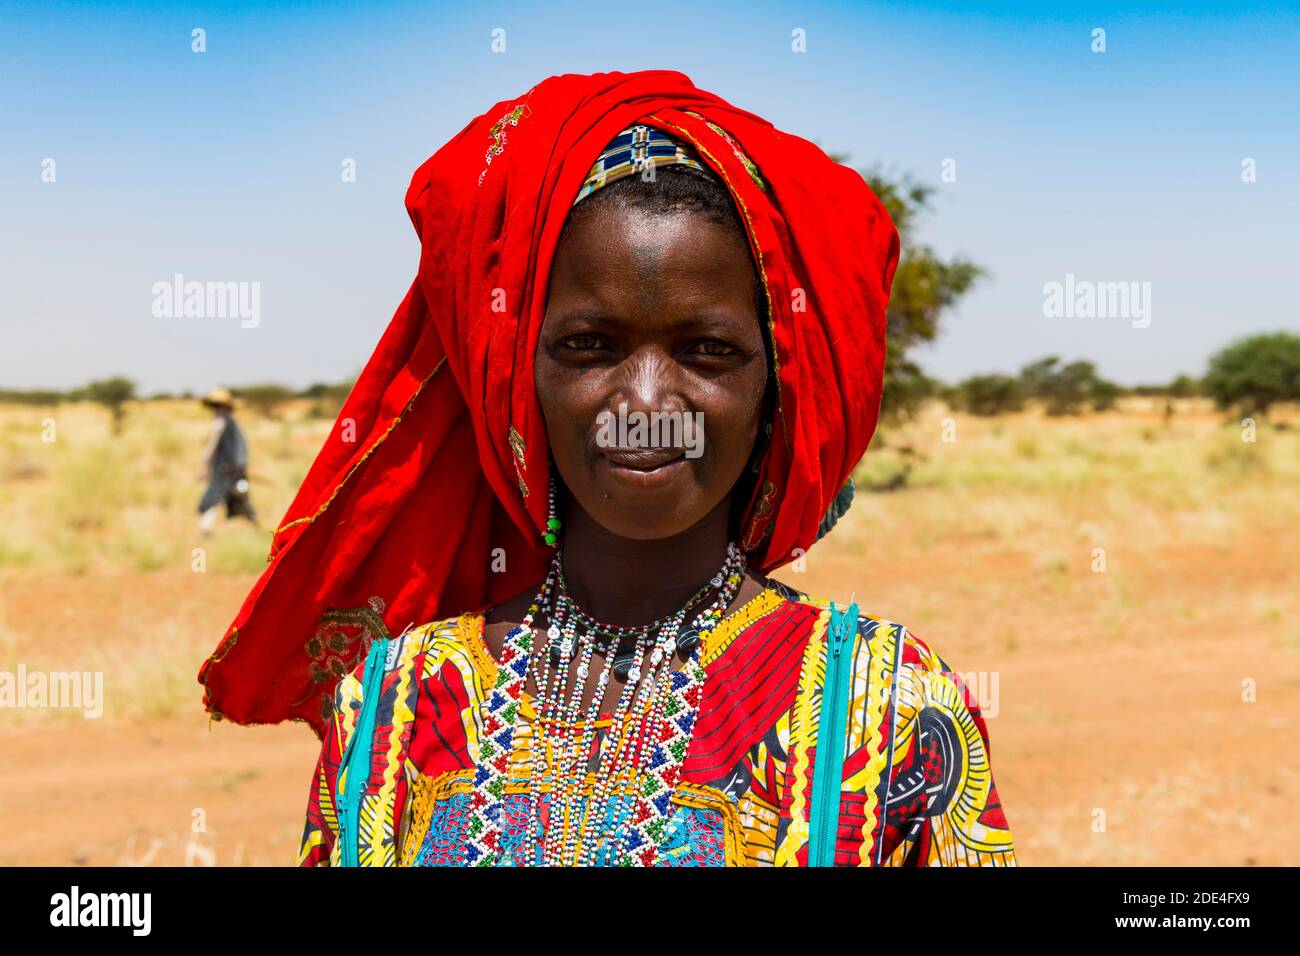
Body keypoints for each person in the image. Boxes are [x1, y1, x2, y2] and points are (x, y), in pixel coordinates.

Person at [198, 70, 1016, 867]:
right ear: (520, 379)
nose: (647, 398)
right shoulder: (393, 704)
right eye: (590, 346)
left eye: (708, 351)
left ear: (777, 388)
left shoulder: (887, 707)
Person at [196, 387, 257, 535]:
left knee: (216, 497)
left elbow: (213, 444)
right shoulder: (229, 420)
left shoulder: (222, 420)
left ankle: (206, 530)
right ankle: (206, 529)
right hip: (228, 467)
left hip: (226, 469)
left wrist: (204, 465)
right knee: (233, 498)